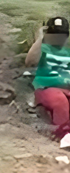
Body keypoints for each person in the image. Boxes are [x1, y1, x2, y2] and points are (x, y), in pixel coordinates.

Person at [25, 16, 70, 147]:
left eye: (62, 35)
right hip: (47, 89)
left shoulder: (67, 52)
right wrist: (40, 39)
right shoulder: (42, 49)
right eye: (55, 34)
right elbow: (30, 62)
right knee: (59, 100)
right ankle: (63, 134)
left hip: (66, 87)